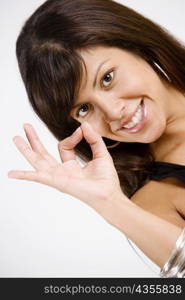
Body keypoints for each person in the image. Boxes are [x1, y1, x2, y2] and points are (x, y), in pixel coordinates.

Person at [8, 0, 185, 277]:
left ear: (135, 44)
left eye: (107, 78)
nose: (114, 113)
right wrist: (108, 202)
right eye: (84, 109)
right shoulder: (155, 203)